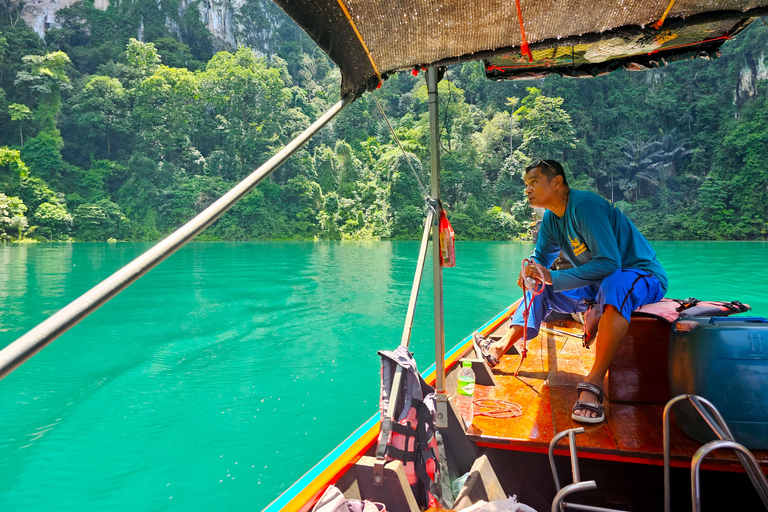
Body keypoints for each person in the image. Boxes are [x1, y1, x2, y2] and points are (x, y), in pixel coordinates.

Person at [477, 159, 667, 424]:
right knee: (540, 286)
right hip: (597, 283)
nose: (527, 190)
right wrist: (531, 271)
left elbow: (611, 263)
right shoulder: (551, 220)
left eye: (534, 182)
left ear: (557, 182)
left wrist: (553, 276)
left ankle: (595, 382)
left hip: (637, 274)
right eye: (526, 185)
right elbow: (541, 256)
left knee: (614, 284)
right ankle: (499, 346)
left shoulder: (585, 206)